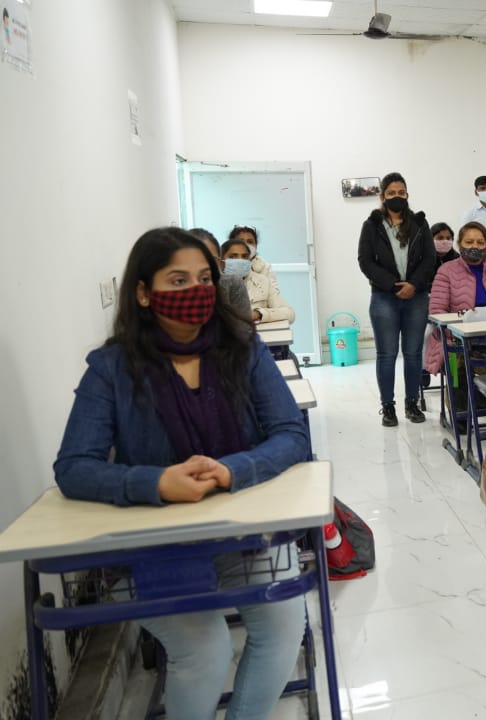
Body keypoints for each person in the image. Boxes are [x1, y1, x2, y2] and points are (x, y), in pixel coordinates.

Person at [53, 228, 309, 720]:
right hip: (158, 543)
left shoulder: (242, 349)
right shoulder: (111, 368)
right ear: (144, 293)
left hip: (243, 533)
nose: (196, 290)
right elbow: (73, 467)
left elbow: (290, 433)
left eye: (203, 278)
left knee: (282, 628)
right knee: (206, 652)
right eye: (177, 280)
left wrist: (234, 469)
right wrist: (154, 483)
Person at [357, 171, 437, 427]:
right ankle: (388, 406)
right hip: (384, 297)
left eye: (401, 193)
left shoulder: (420, 224)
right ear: (382, 197)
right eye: (391, 193)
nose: (396, 197)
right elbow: (365, 261)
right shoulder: (371, 226)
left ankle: (411, 403)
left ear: (407, 194)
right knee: (386, 354)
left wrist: (414, 284)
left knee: (413, 353)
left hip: (416, 296)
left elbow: (429, 259)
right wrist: (393, 286)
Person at [425, 221, 486, 375]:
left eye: (480, 242)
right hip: (459, 340)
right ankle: (465, 398)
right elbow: (437, 311)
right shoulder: (446, 271)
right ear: (459, 244)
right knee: (459, 368)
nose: (474, 246)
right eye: (469, 242)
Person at [222, 239, 295, 325]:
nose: (240, 261)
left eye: (245, 256)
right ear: (221, 261)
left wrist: (258, 314)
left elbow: (289, 313)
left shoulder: (262, 281)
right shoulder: (213, 284)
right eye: (233, 256)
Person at [190, 227, 251, 320]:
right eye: (194, 258)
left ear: (220, 262)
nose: (203, 264)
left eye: (211, 259)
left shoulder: (233, 284)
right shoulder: (174, 289)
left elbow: (244, 329)